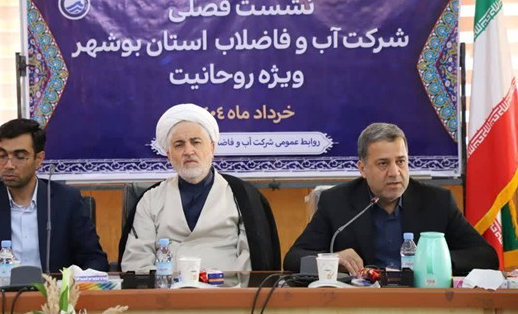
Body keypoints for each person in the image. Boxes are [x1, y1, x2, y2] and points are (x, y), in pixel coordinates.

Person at [283, 122, 498, 275]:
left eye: (401, 161)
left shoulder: (437, 201)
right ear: (362, 169)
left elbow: (486, 256)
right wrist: (333, 259)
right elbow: (293, 259)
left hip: (422, 301)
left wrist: (435, 261)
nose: (395, 173)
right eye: (383, 164)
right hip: (359, 304)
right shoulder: (336, 202)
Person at [0, 118, 108, 276]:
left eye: (19, 157)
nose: (8, 165)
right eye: (2, 156)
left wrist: (75, 282)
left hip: (54, 296)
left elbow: (95, 259)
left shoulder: (67, 201)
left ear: (38, 159)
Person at [120, 103, 280, 272]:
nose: (188, 151)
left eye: (196, 142)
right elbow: (137, 262)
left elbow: (254, 262)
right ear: (169, 155)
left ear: (211, 147)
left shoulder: (242, 196)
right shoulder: (151, 199)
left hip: (228, 286)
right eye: (179, 145)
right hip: (167, 287)